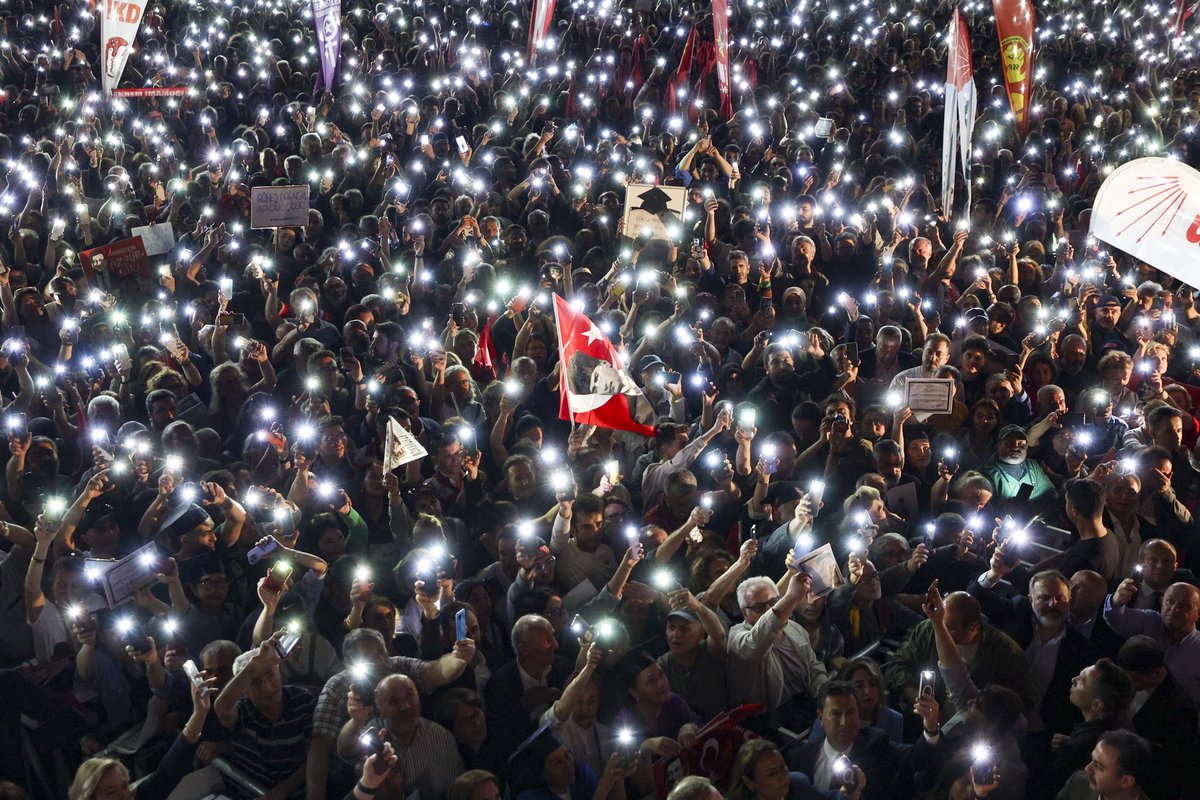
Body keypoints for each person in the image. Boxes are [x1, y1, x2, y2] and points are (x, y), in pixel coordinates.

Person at [728, 739, 864, 800]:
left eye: (782, 766)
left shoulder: (797, 784)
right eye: (771, 773)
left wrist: (849, 792)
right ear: (749, 782)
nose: (782, 775)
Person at [1054, 730, 1154, 800]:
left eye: (1099, 766)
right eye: (1092, 759)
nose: (1087, 769)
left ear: (1126, 781)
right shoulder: (1078, 783)